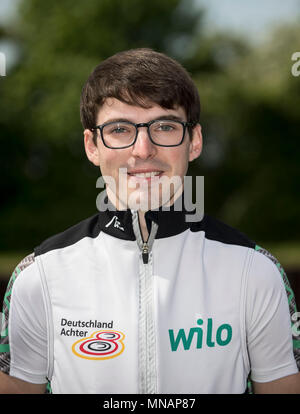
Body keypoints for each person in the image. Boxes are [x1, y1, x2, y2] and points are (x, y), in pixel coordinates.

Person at [0, 48, 299, 394]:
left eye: (165, 126)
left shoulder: (255, 272)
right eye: (120, 129)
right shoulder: (38, 278)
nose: (142, 150)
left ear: (195, 141)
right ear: (92, 145)